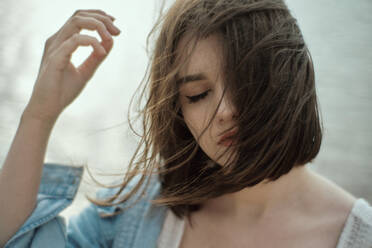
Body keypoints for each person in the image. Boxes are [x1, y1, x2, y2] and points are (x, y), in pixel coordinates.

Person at [1, 0, 371, 247]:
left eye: (245, 80)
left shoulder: (357, 234)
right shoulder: (135, 214)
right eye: (196, 95)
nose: (225, 110)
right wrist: (39, 115)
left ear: (290, 78)